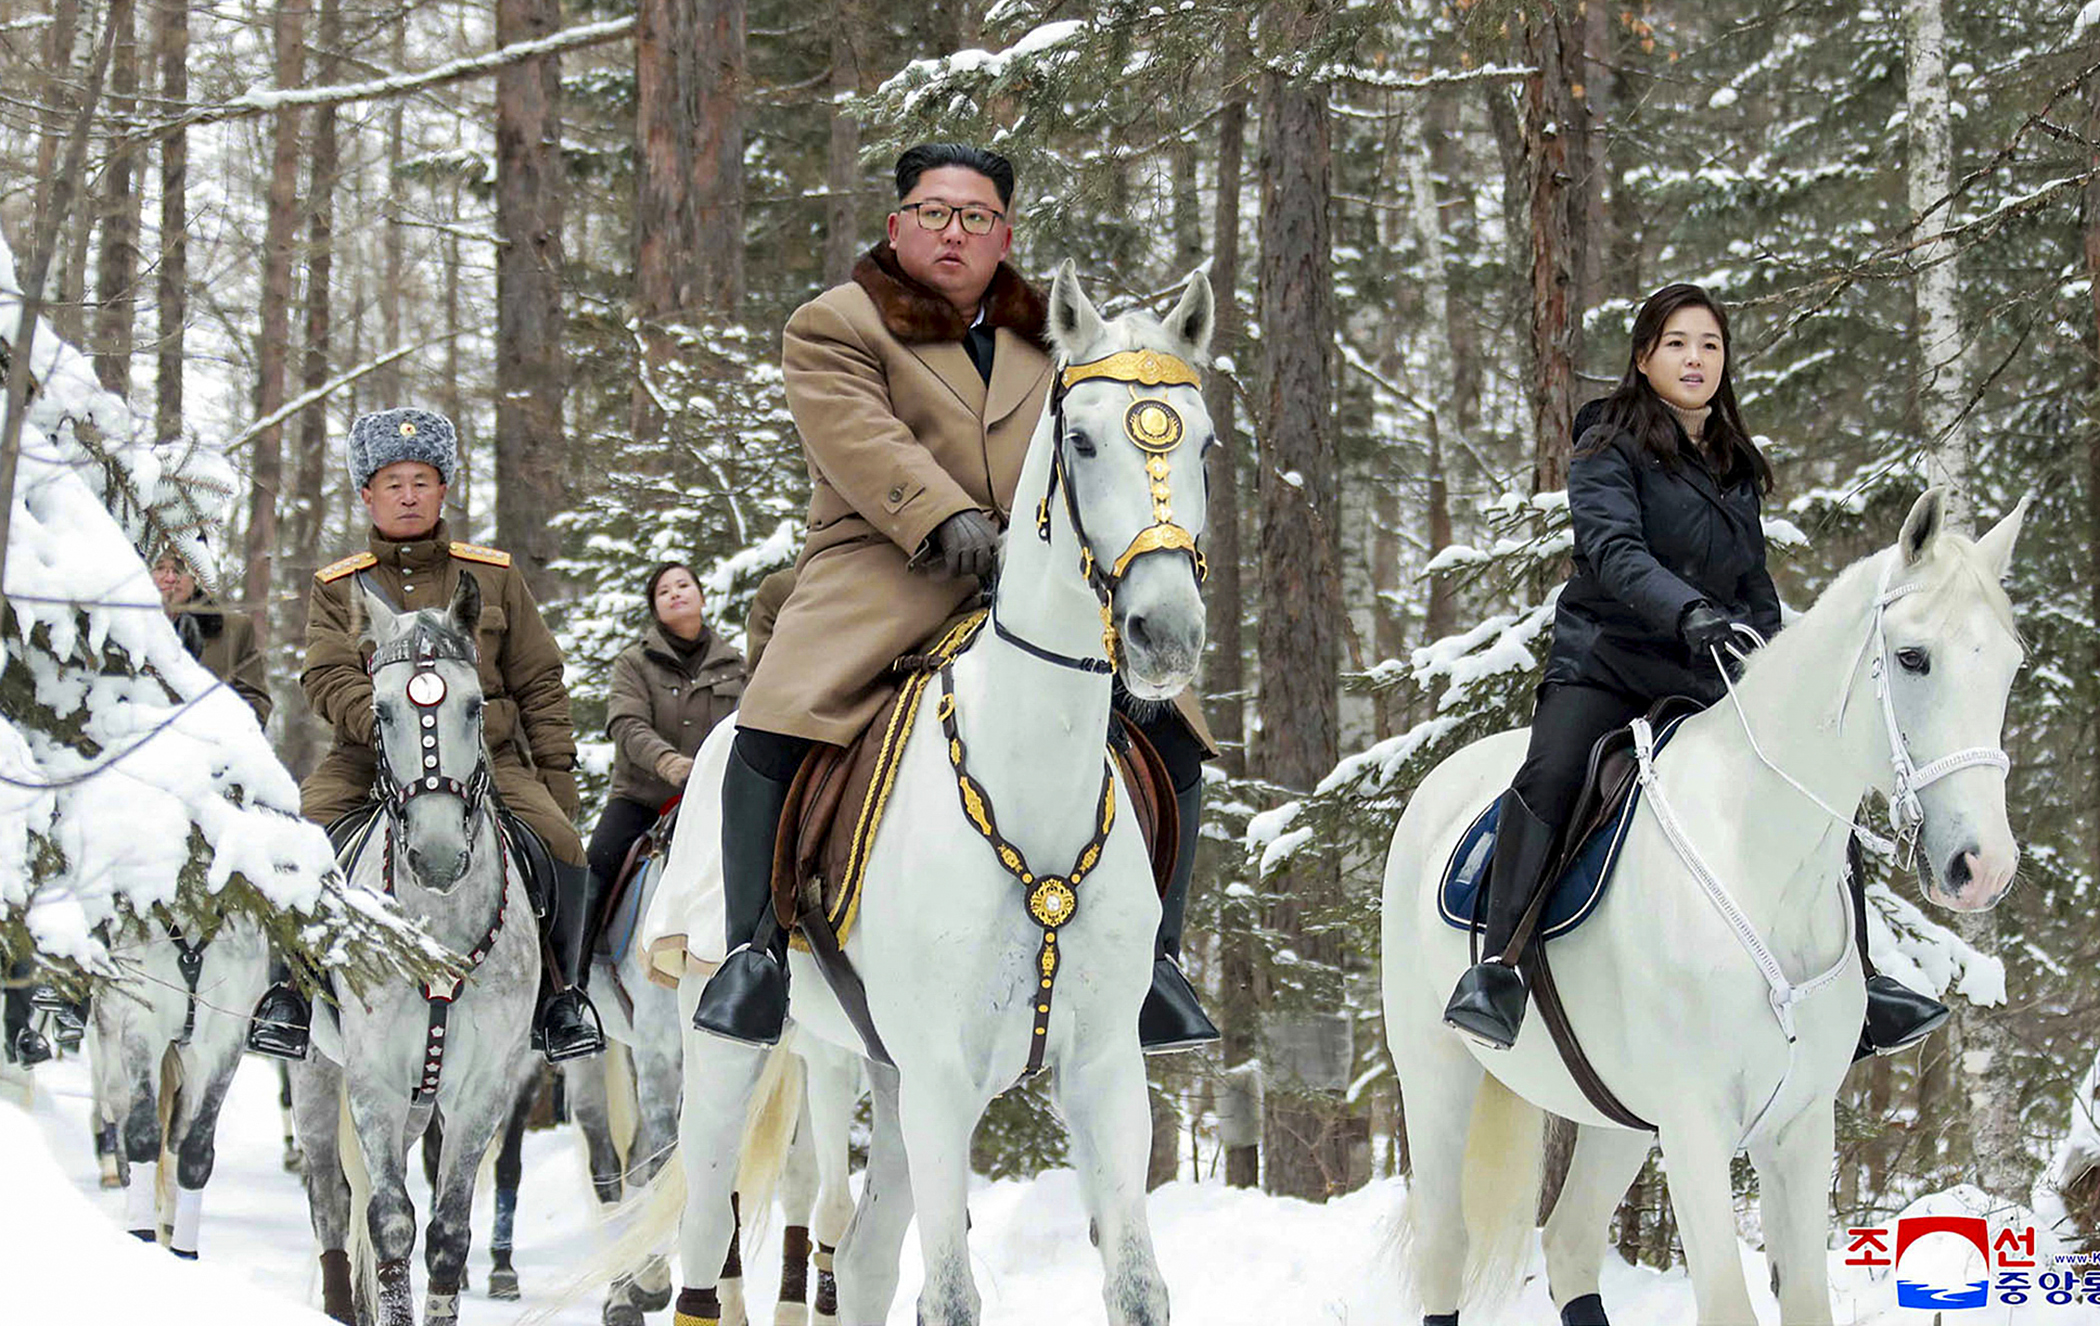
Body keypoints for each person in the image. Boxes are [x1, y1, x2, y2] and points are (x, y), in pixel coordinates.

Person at [691, 143, 1219, 1052]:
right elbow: (858, 438)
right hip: (882, 568)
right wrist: (940, 515)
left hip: (1037, 576)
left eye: (976, 218)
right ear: (897, 225)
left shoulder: (1056, 337)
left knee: (1176, 734)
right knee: (776, 721)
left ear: (1004, 236)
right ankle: (756, 956)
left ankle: (1158, 964)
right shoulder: (834, 324)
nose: (954, 232)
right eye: (935, 213)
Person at [1442, 283, 1950, 1058]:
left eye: (1710, 345)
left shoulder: (1734, 463)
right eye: (1677, 342)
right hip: (1607, 663)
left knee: (1816, 779)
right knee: (1549, 774)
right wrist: (1685, 610)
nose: (1695, 358)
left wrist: (1772, 651)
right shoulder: (1605, 441)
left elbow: (1751, 580)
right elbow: (1614, 552)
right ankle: (1499, 969)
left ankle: (1866, 982)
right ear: (1644, 358)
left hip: (1708, 672)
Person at [245, 407, 605, 1063]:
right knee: (300, 840)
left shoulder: (493, 575)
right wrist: (388, 727)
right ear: (367, 495)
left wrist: (555, 776)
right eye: (392, 482)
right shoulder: (340, 586)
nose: (408, 495)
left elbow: (539, 677)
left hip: (486, 757)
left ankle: (561, 998)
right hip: (367, 755)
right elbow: (326, 673)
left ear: (443, 489)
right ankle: (289, 995)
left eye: (421, 480)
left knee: (562, 846)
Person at [586, 562, 745, 925]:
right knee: (597, 864)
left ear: (702, 597)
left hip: (715, 796)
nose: (675, 593)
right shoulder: (633, 663)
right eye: (663, 590)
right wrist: (670, 764)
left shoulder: (736, 665)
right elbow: (627, 725)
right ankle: (574, 972)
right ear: (655, 608)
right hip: (643, 798)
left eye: (683, 585)